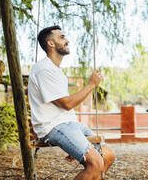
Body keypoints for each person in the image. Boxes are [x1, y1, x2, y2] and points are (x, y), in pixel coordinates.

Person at [28, 25, 115, 180]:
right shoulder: (43, 69)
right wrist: (92, 85)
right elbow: (66, 104)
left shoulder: (57, 71)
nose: (67, 40)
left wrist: (75, 141)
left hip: (70, 124)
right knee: (95, 164)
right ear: (51, 44)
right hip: (53, 126)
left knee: (108, 156)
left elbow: (66, 111)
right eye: (62, 37)